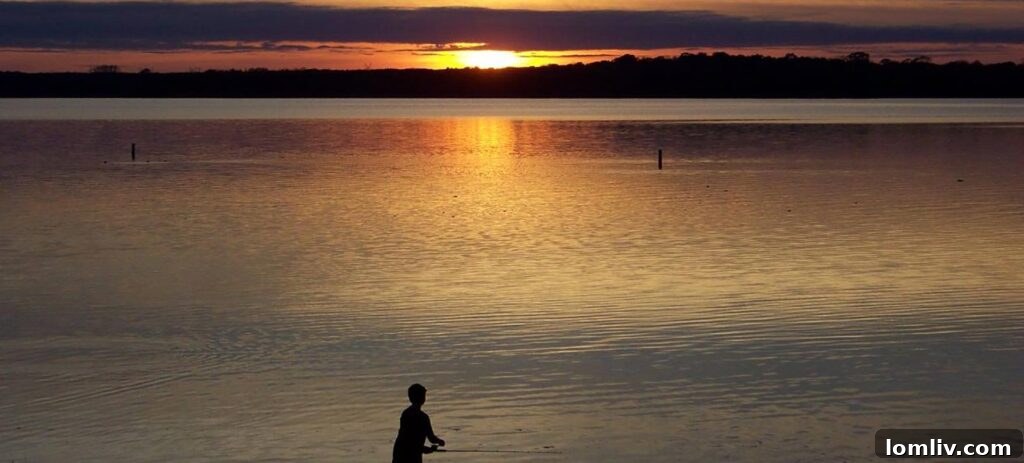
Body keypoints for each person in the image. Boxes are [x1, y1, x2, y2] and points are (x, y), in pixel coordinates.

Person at [392, 383, 445, 463]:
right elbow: (431, 438)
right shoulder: (423, 417)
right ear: (423, 399)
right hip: (412, 455)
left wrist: (429, 447)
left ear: (410, 398)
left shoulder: (406, 414)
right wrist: (439, 442)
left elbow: (406, 439)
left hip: (400, 452)